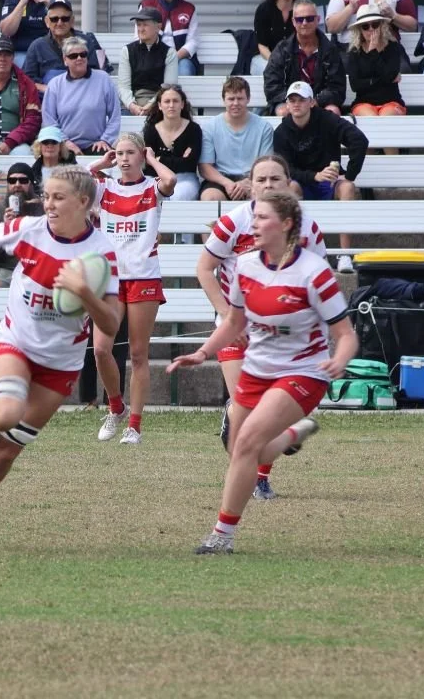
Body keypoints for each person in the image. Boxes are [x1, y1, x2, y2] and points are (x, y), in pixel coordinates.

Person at [0, 166, 120, 549]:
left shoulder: (101, 254)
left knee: (6, 453)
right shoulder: (29, 230)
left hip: (60, 363)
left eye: (58, 197)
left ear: (83, 202)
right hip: (16, 342)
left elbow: (111, 323)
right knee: (6, 412)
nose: (48, 204)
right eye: (46, 196)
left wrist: (85, 294)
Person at [170, 191, 354, 554]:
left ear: (286, 225)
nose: (253, 224)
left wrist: (340, 360)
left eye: (263, 218)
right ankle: (292, 434)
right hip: (257, 369)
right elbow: (234, 322)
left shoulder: (315, 272)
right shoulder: (245, 265)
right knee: (244, 450)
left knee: (248, 441)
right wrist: (203, 352)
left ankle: (221, 536)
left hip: (303, 371)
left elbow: (345, 334)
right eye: (253, 218)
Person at [197, 155, 328, 500]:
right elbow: (204, 269)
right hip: (237, 329)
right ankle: (238, 427)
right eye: (261, 179)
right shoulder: (233, 222)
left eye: (275, 179)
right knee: (253, 411)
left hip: (282, 334)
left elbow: (317, 279)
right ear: (250, 185)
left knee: (271, 415)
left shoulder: (307, 228)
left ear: (288, 183)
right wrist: (227, 314)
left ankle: (260, 478)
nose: (268, 185)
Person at [87, 135, 175, 445]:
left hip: (144, 276)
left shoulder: (152, 187)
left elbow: (170, 180)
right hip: (110, 278)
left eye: (130, 153)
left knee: (138, 354)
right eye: (120, 153)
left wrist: (152, 159)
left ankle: (134, 426)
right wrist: (99, 163)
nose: (124, 158)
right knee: (101, 349)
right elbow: (73, 182)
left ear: (141, 155)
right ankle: (116, 407)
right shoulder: (106, 187)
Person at [273, 81, 367, 271]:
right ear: (287, 104)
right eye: (292, 100)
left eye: (301, 100)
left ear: (311, 102)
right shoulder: (281, 132)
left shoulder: (327, 120)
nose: (296, 104)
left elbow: (359, 140)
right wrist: (314, 176)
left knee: (348, 187)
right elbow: (286, 169)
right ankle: (295, 251)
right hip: (302, 182)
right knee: (290, 188)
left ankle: (345, 255)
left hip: (330, 182)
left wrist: (349, 174)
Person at [263, 0, 344, 115]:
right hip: (289, 102)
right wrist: (295, 101)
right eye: (300, 19)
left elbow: (337, 88)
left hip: (319, 103)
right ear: (293, 22)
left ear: (318, 20)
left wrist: (315, 101)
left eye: (309, 18)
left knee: (333, 111)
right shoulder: (282, 49)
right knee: (283, 112)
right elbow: (272, 85)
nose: (304, 23)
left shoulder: (330, 50)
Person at [198, 76, 275, 201]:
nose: (235, 103)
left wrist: (248, 182)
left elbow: (266, 164)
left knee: (263, 196)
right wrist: (228, 183)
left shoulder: (264, 127)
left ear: (248, 99)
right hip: (220, 179)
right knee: (210, 197)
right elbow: (205, 167)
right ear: (224, 100)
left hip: (253, 178)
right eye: (231, 99)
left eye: (240, 98)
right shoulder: (210, 127)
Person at [42, 36, 120, 156]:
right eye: (73, 56)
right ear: (65, 60)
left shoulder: (104, 79)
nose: (79, 58)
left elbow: (115, 116)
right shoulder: (55, 84)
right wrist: (65, 142)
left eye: (83, 54)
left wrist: (105, 140)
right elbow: (49, 120)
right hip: (64, 146)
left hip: (97, 145)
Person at [22, 0, 105, 89]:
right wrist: (49, 90)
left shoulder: (86, 42)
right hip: (47, 95)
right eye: (54, 19)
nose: (59, 23)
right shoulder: (37, 46)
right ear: (47, 22)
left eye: (65, 18)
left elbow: (94, 75)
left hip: (81, 92)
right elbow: (26, 80)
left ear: (72, 21)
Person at [0, 161, 43, 288]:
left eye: (23, 180)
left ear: (31, 183)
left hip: (38, 267)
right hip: (7, 269)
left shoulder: (42, 207)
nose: (17, 185)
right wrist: (5, 228)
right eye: (12, 181)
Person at [142, 83, 203, 201]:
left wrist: (159, 159)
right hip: (155, 178)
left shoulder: (193, 129)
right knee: (149, 196)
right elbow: (148, 165)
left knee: (176, 197)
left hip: (185, 179)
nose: (171, 105)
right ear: (160, 105)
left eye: (175, 101)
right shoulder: (151, 130)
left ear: (182, 104)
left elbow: (189, 163)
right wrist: (178, 160)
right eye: (167, 101)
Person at [346, 5, 406, 122]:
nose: (370, 29)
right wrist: (381, 81)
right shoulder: (355, 52)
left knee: (385, 119)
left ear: (381, 26)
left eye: (375, 24)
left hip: (391, 101)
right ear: (360, 30)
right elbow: (355, 85)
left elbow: (389, 76)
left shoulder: (392, 47)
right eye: (365, 26)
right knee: (371, 119)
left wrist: (373, 52)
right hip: (363, 103)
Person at [138, 0, 198, 76]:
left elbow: (193, 41)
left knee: (185, 70)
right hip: (152, 57)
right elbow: (139, 38)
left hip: (181, 59)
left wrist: (174, 58)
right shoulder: (146, 6)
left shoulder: (189, 9)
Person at [118, 7, 178, 116]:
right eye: (138, 25)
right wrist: (132, 105)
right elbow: (123, 86)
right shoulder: (127, 51)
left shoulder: (169, 53)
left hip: (160, 105)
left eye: (145, 25)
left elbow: (168, 87)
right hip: (131, 104)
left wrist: (150, 106)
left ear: (158, 27)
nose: (141, 29)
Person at [251, 0, 302, 76]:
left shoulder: (302, 9)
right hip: (265, 57)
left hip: (294, 60)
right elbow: (262, 46)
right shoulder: (264, 10)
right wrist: (276, 62)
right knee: (272, 71)